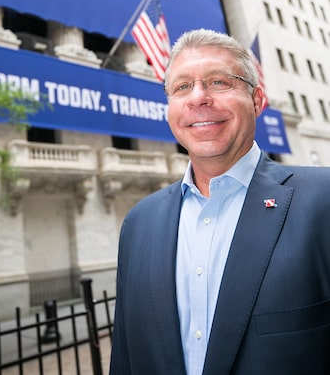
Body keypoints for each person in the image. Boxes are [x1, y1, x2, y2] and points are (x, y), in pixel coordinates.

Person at [109, 28, 330, 375]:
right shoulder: (138, 223)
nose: (198, 98)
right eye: (182, 87)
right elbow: (124, 357)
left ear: (257, 100)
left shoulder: (322, 200)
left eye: (218, 82)